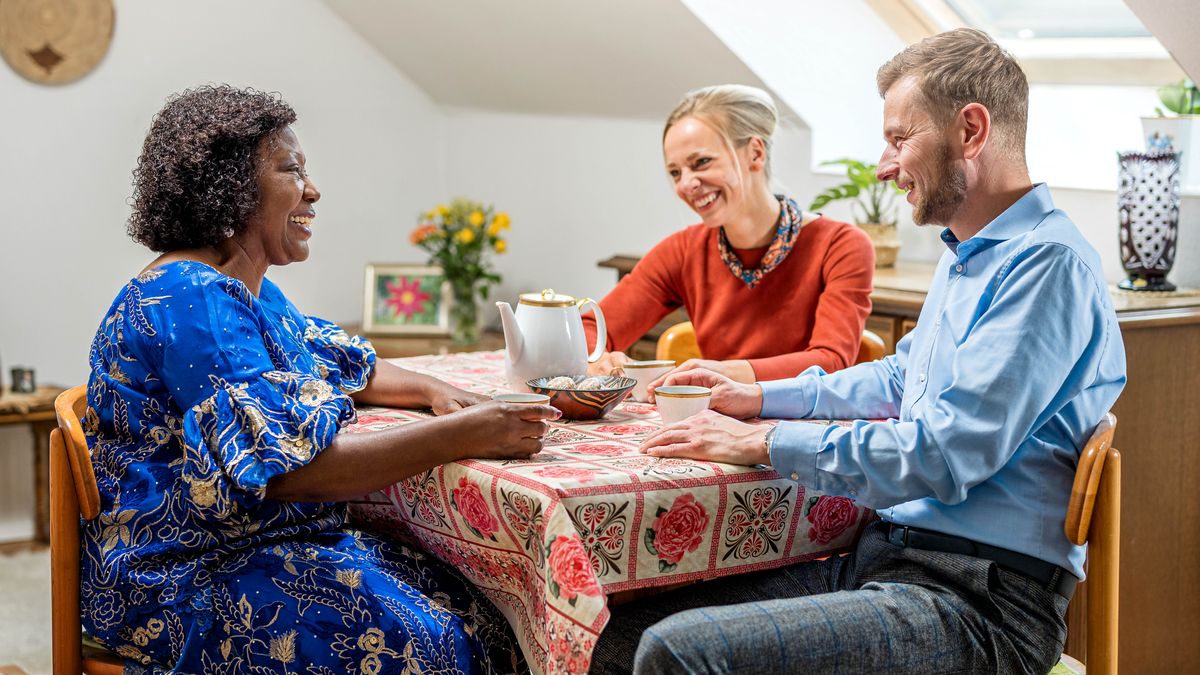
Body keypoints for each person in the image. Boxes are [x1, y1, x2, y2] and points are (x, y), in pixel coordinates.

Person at [591, 29, 1126, 674]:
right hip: (888, 559)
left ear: (972, 131)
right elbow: (902, 379)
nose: (884, 164)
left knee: (680, 651)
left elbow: (946, 451)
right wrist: (758, 398)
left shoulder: (1046, 265)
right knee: (610, 629)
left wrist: (764, 441)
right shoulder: (971, 256)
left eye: (901, 139)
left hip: (980, 604)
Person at [83, 85, 557, 673]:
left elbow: (339, 364)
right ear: (230, 190)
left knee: (488, 610)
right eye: (291, 171)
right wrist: (464, 435)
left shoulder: (244, 286)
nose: (313, 191)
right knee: (437, 646)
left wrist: (438, 393)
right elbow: (294, 473)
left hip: (263, 544)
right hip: (186, 575)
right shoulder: (189, 299)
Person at [583, 85, 874, 384]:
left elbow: (830, 362)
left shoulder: (841, 246)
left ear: (755, 154)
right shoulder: (683, 251)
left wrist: (720, 372)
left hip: (806, 426)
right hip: (717, 423)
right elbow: (589, 329)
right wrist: (599, 361)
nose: (685, 185)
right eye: (675, 172)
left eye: (701, 163)